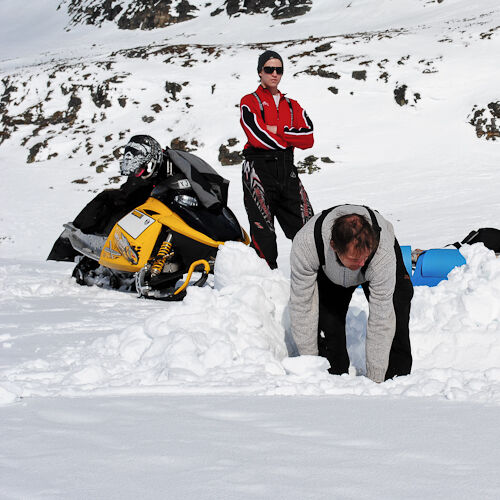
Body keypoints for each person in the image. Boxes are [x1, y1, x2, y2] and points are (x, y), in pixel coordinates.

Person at [289, 204, 413, 383]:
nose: (362, 263)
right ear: (333, 246)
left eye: (364, 257)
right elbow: (302, 305)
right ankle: (332, 378)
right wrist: (311, 366)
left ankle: (395, 382)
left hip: (378, 262)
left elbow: (381, 318)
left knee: (398, 307)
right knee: (328, 323)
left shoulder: (382, 253)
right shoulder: (307, 245)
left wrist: (376, 381)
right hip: (330, 269)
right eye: (356, 259)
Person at [239, 50, 315, 269]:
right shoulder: (249, 101)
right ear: (260, 71)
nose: (274, 74)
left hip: (287, 170)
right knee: (264, 237)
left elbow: (308, 138)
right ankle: (266, 282)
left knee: (308, 231)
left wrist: (277, 129)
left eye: (278, 70)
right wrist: (289, 137)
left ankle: (315, 282)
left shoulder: (292, 105)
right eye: (269, 69)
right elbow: (257, 136)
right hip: (258, 170)